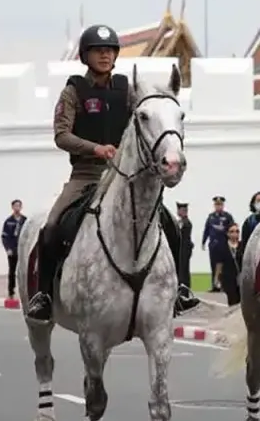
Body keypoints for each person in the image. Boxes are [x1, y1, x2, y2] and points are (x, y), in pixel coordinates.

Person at [26, 24, 199, 321]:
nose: (105, 56)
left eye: (109, 51)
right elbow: (61, 135)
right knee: (52, 226)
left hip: (124, 175)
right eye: (98, 51)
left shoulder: (126, 91)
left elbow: (146, 121)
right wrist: (95, 149)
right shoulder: (73, 92)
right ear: (85, 56)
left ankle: (180, 290)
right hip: (86, 175)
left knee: (172, 225)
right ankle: (43, 295)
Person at [202, 196, 234, 291]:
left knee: (224, 266)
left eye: (220, 204)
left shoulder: (227, 217)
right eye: (217, 204)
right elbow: (206, 230)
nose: (218, 206)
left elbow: (232, 229)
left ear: (223, 205)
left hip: (224, 245)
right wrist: (203, 242)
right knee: (213, 265)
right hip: (213, 246)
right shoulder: (211, 217)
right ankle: (215, 286)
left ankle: (224, 285)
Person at [1, 199, 27, 300]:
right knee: (12, 271)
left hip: (23, 251)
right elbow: (4, 237)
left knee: (24, 272)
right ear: (12, 207)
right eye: (16, 206)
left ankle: (25, 291)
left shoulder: (25, 220)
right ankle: (11, 291)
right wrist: (8, 249)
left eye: (19, 206)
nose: (17, 208)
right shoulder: (8, 221)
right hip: (13, 251)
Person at [239, 191, 260, 261]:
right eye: (258, 201)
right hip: (253, 256)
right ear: (253, 204)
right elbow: (245, 242)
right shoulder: (249, 221)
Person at [220, 223, 243, 306]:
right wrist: (217, 279)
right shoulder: (223, 246)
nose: (235, 234)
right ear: (228, 234)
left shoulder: (242, 245)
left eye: (237, 231)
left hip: (241, 278)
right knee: (232, 301)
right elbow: (220, 263)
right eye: (232, 231)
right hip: (228, 278)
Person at [175, 202, 194, 288]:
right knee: (182, 269)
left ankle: (184, 288)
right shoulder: (181, 222)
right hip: (183, 248)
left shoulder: (185, 223)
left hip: (184, 248)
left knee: (184, 270)